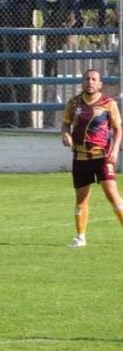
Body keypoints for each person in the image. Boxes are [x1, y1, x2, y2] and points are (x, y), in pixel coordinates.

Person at [61, 69, 123, 248]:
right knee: (81, 198)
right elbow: (65, 125)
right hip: (80, 157)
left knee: (112, 195)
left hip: (102, 156)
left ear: (100, 84)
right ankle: (80, 237)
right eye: (87, 79)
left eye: (94, 79)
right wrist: (65, 135)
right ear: (82, 82)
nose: (90, 82)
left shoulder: (108, 103)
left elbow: (118, 128)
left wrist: (115, 150)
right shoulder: (74, 103)